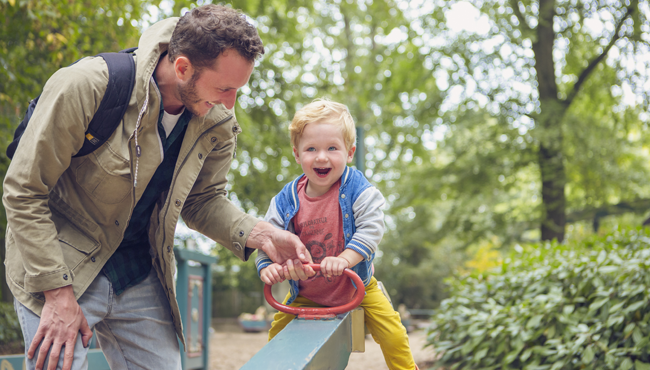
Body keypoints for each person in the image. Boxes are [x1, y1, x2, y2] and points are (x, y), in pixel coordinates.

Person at [2, 5, 314, 370]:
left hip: (135, 268)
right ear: (182, 68)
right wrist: (56, 294)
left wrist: (262, 234)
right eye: (225, 88)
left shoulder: (216, 120)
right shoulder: (88, 85)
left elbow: (204, 200)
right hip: (61, 263)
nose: (230, 104)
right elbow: (24, 191)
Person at [256, 99, 418, 370]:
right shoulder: (286, 199)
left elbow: (372, 226)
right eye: (311, 149)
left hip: (357, 285)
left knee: (394, 334)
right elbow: (267, 236)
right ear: (297, 154)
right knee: (277, 338)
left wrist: (344, 259)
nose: (321, 157)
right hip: (307, 291)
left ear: (350, 152)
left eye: (332, 148)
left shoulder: (357, 188)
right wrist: (267, 267)